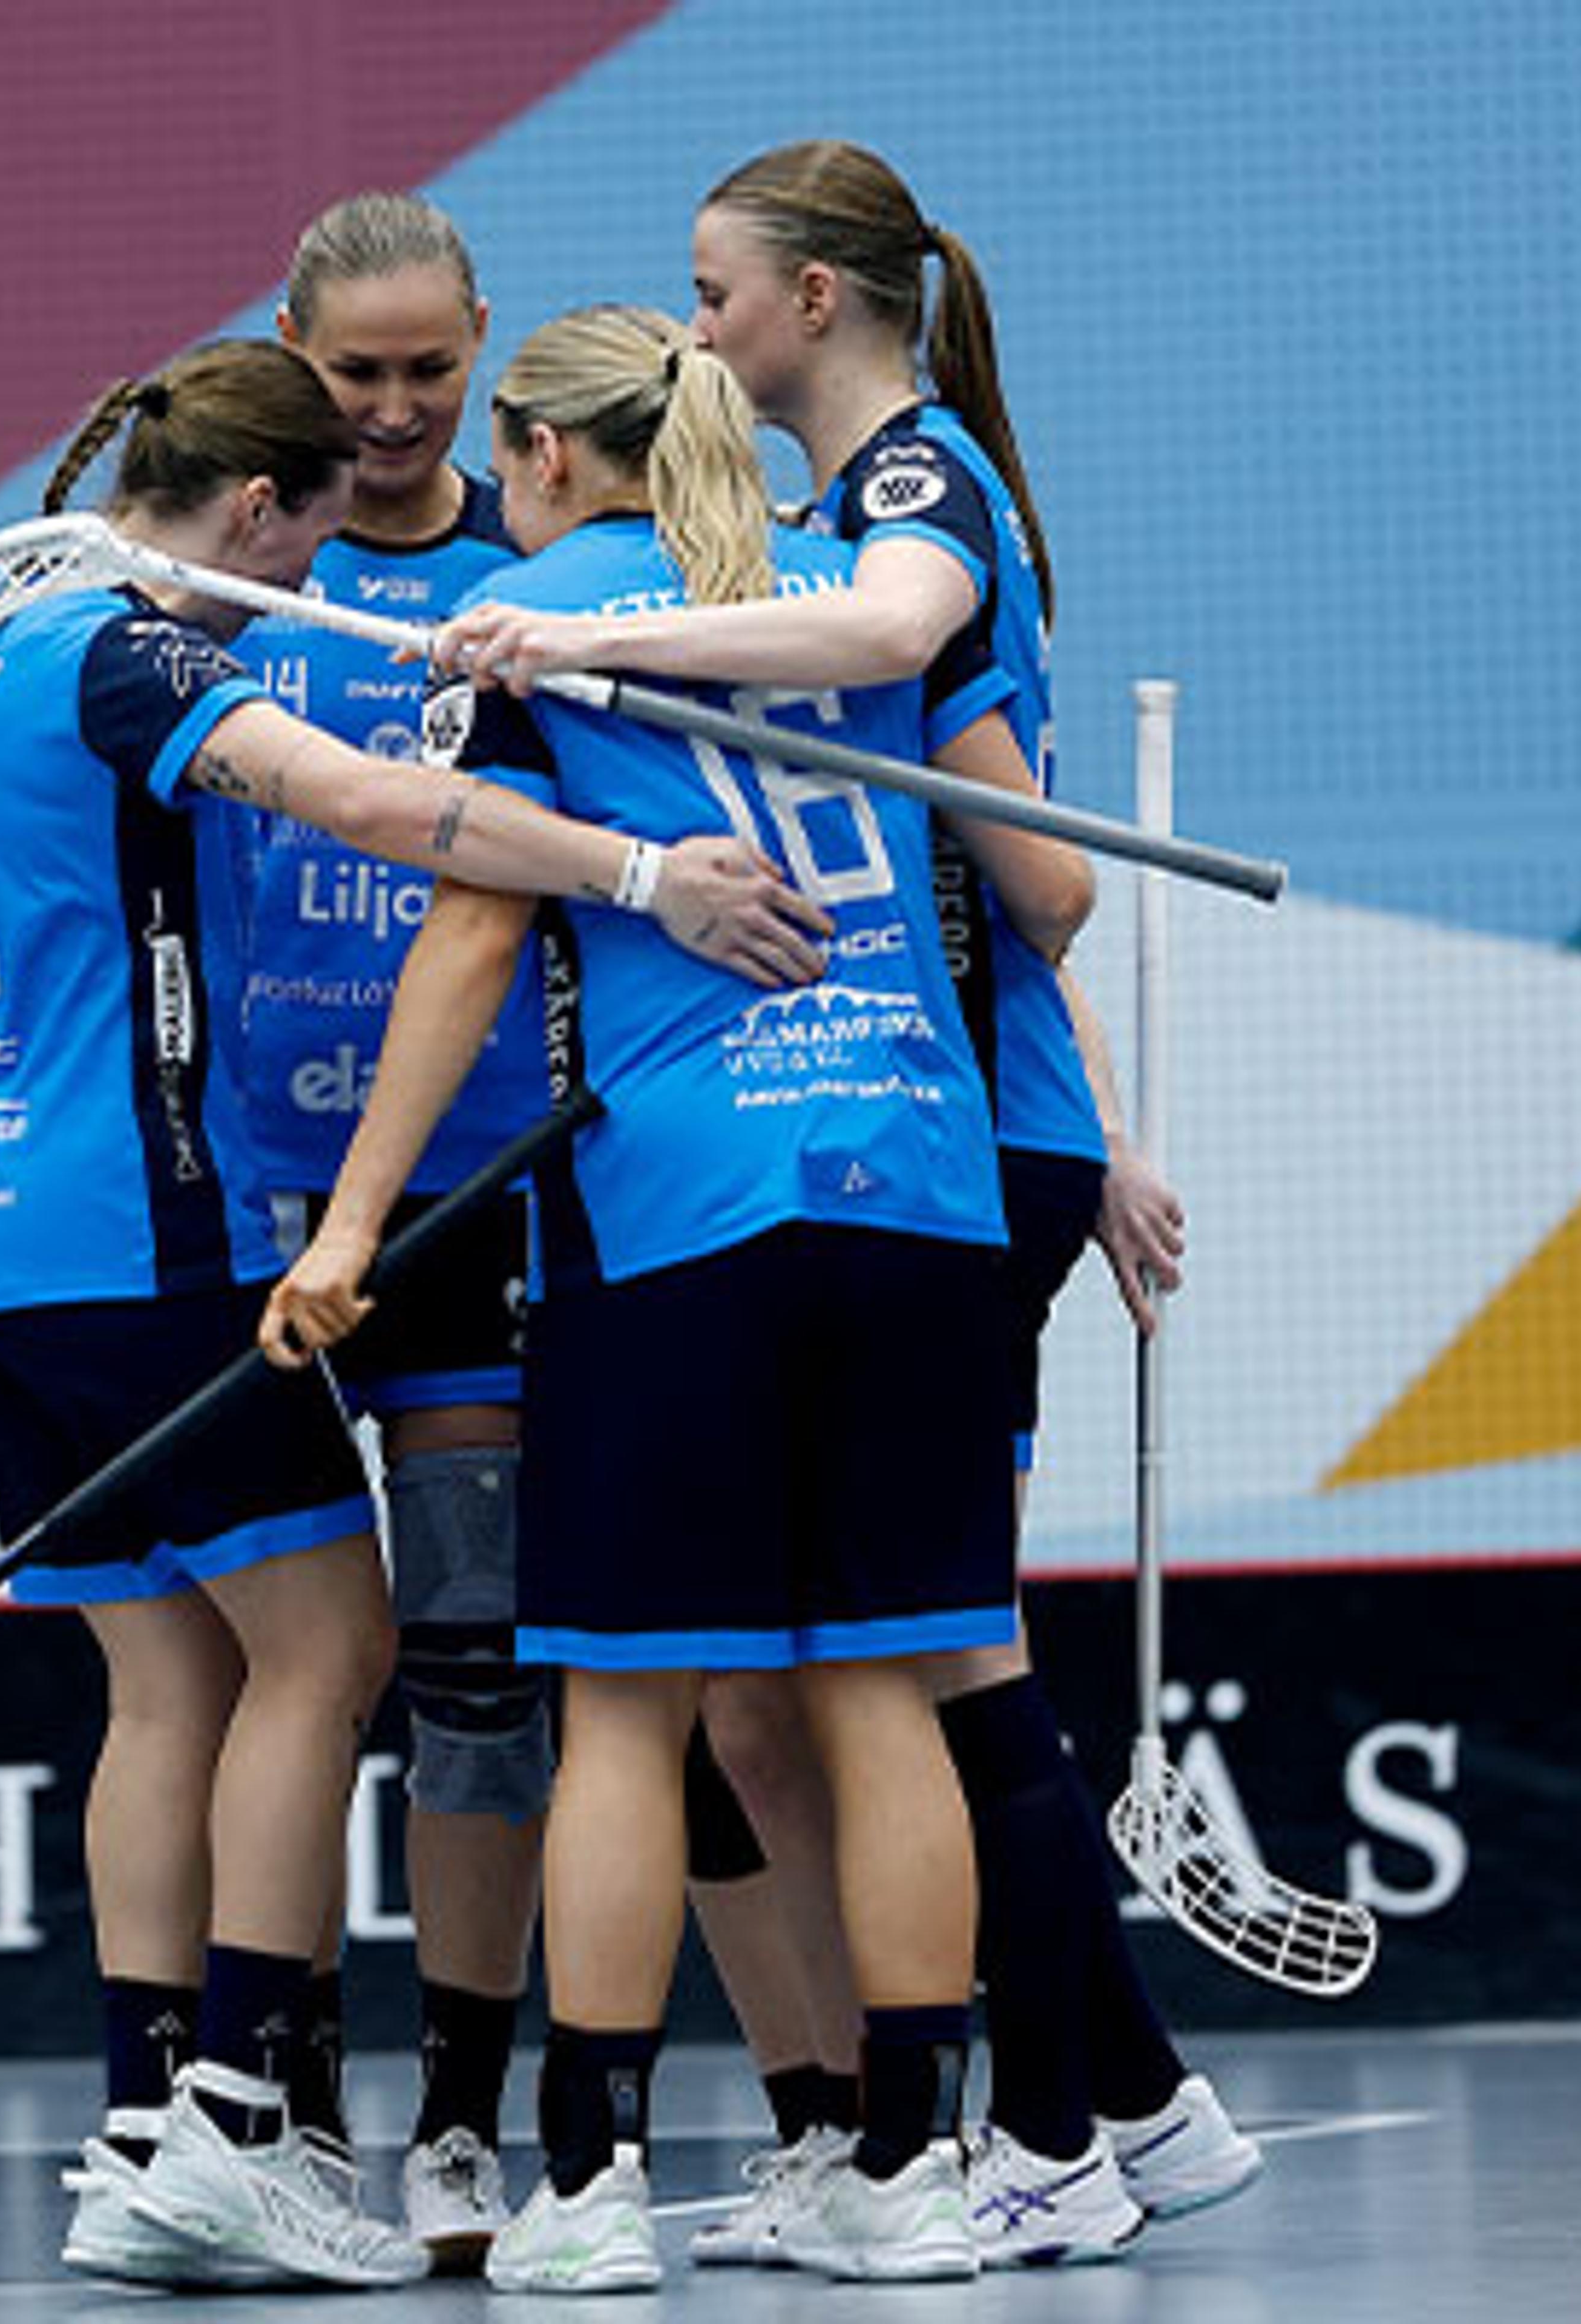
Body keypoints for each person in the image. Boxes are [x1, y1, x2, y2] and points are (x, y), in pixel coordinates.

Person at [0, 333, 829, 2293]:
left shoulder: (6, 654)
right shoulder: (140, 655)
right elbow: (376, 808)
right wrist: (644, 868)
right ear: (249, 512)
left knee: (168, 1686)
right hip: (150, 1238)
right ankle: (241, 2117)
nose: (310, 590)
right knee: (329, 1653)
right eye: (306, 547)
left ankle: (141, 2126)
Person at [436, 136, 1261, 2268]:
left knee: (900, 1672)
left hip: (834, 1160)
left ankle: (1055, 2124)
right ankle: (1019, 2122)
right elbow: (1019, 862)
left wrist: (595, 659)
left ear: (814, 297)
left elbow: (1041, 864)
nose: (700, 318)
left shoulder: (899, 511)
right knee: (879, 1675)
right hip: (930, 1140)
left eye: (718, 284)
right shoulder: (813, 555)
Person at [263, 303, 1091, 2293]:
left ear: (545, 457)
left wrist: (359, 1223)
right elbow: (1030, 874)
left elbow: (472, 936)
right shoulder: (840, 590)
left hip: (677, 1215)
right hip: (916, 1187)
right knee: (889, 1684)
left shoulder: (530, 625)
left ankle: (595, 2189)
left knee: (628, 1716)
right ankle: (907, 2172)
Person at [230, 192, 545, 2271]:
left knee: (469, 1672)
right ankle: (269, 2111)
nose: (402, 410)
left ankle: (454, 2123)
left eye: (437, 369)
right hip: (250, 1196)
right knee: (274, 1675)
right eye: (360, 375)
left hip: (478, 1182)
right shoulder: (236, 575)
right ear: (292, 356)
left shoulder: (542, 586)